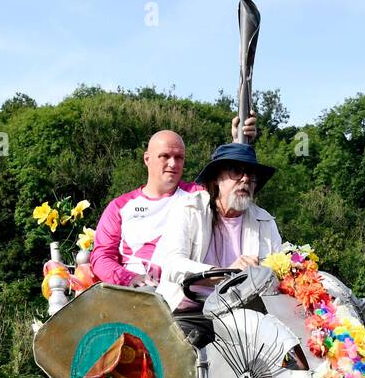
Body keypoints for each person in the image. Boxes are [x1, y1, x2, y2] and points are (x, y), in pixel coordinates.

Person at [90, 115, 257, 289]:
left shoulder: (199, 196)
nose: (173, 163)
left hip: (183, 293)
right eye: (165, 156)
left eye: (179, 158)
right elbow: (102, 256)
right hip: (134, 294)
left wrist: (239, 142)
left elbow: (228, 187)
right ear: (147, 159)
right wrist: (130, 279)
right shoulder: (120, 206)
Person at [156, 140, 283, 342]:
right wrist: (225, 273)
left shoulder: (264, 220)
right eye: (236, 171)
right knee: (183, 352)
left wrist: (260, 275)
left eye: (251, 175)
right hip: (190, 310)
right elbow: (172, 265)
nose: (245, 179)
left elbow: (277, 274)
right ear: (216, 179)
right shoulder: (188, 209)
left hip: (244, 312)